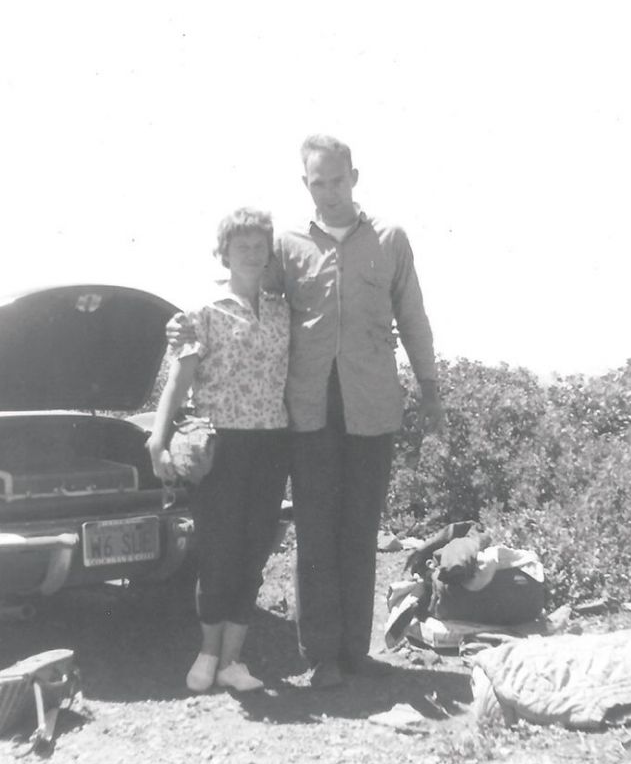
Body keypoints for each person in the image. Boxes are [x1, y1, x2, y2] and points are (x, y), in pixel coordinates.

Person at [169, 135, 442, 688]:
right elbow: (245, 294)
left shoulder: (390, 239)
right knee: (316, 532)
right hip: (309, 410)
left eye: (338, 180)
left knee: (361, 529)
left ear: (355, 177)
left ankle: (354, 652)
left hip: (372, 407)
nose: (330, 192)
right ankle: (321, 657)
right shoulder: (289, 245)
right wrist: (185, 323)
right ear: (306, 184)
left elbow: (412, 317)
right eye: (318, 183)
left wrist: (431, 389)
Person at [149, 208, 290, 693]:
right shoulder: (202, 311)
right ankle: (207, 654)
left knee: (253, 553)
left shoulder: (282, 310)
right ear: (224, 251)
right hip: (219, 445)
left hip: (272, 442)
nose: (251, 252)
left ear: (269, 252)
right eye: (241, 244)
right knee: (218, 552)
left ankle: (233, 661)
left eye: (259, 245)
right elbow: (179, 381)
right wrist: (157, 438)